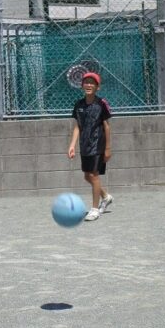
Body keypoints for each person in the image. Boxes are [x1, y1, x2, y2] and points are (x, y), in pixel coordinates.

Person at [67, 72, 113, 221]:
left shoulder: (101, 104)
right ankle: (105, 197)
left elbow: (107, 127)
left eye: (92, 83)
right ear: (82, 85)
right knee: (87, 176)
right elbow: (77, 127)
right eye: (86, 82)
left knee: (94, 175)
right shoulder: (78, 104)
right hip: (84, 145)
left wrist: (108, 148)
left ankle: (94, 209)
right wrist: (72, 145)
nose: (88, 85)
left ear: (97, 87)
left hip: (98, 144)